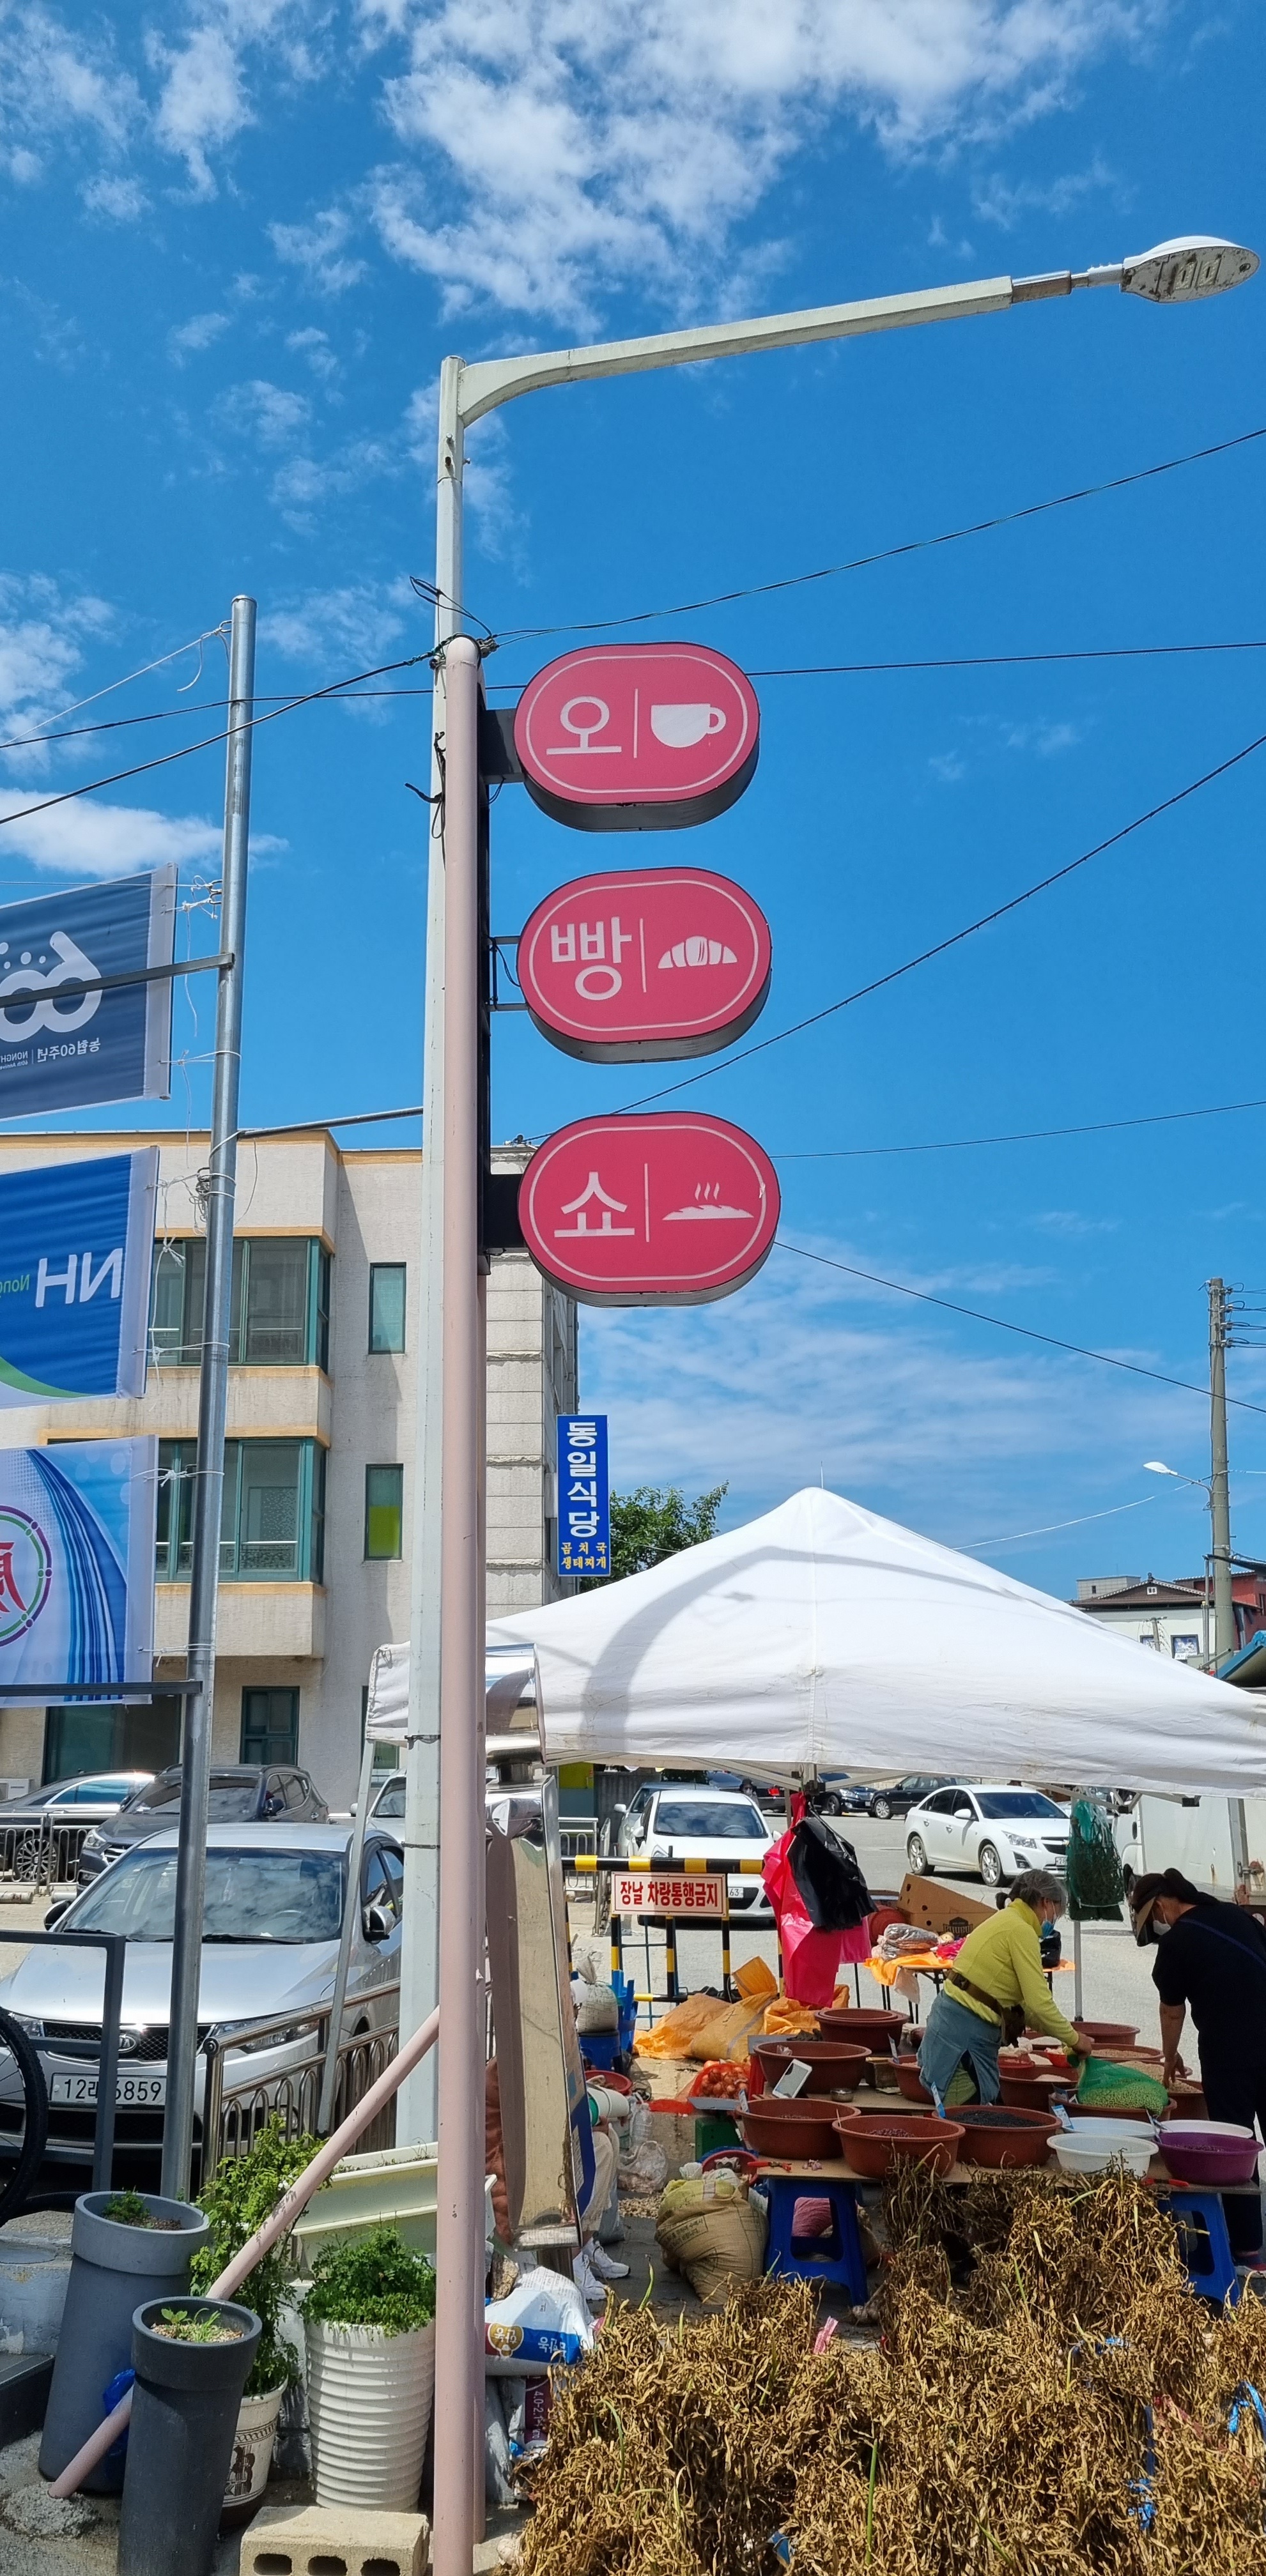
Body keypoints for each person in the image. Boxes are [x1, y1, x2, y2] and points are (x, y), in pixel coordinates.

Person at [1131, 1867, 1266, 2269]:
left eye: (1152, 1920)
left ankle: (1248, 2251)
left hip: (1229, 2053)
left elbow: (1172, 2012)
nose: (1157, 1928)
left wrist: (1169, 2057)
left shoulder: (1177, 1943)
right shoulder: (1233, 1915)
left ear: (1160, 1905)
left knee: (1236, 2145)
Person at [918, 1868, 1089, 2106]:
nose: (1053, 1920)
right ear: (1046, 1902)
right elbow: (1040, 2003)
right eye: (1056, 1912)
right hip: (962, 2038)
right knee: (969, 2118)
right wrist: (1075, 2039)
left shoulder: (1008, 1920)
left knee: (979, 2111)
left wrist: (1066, 2036)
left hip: (954, 2026)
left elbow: (1026, 2007)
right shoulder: (1020, 1930)